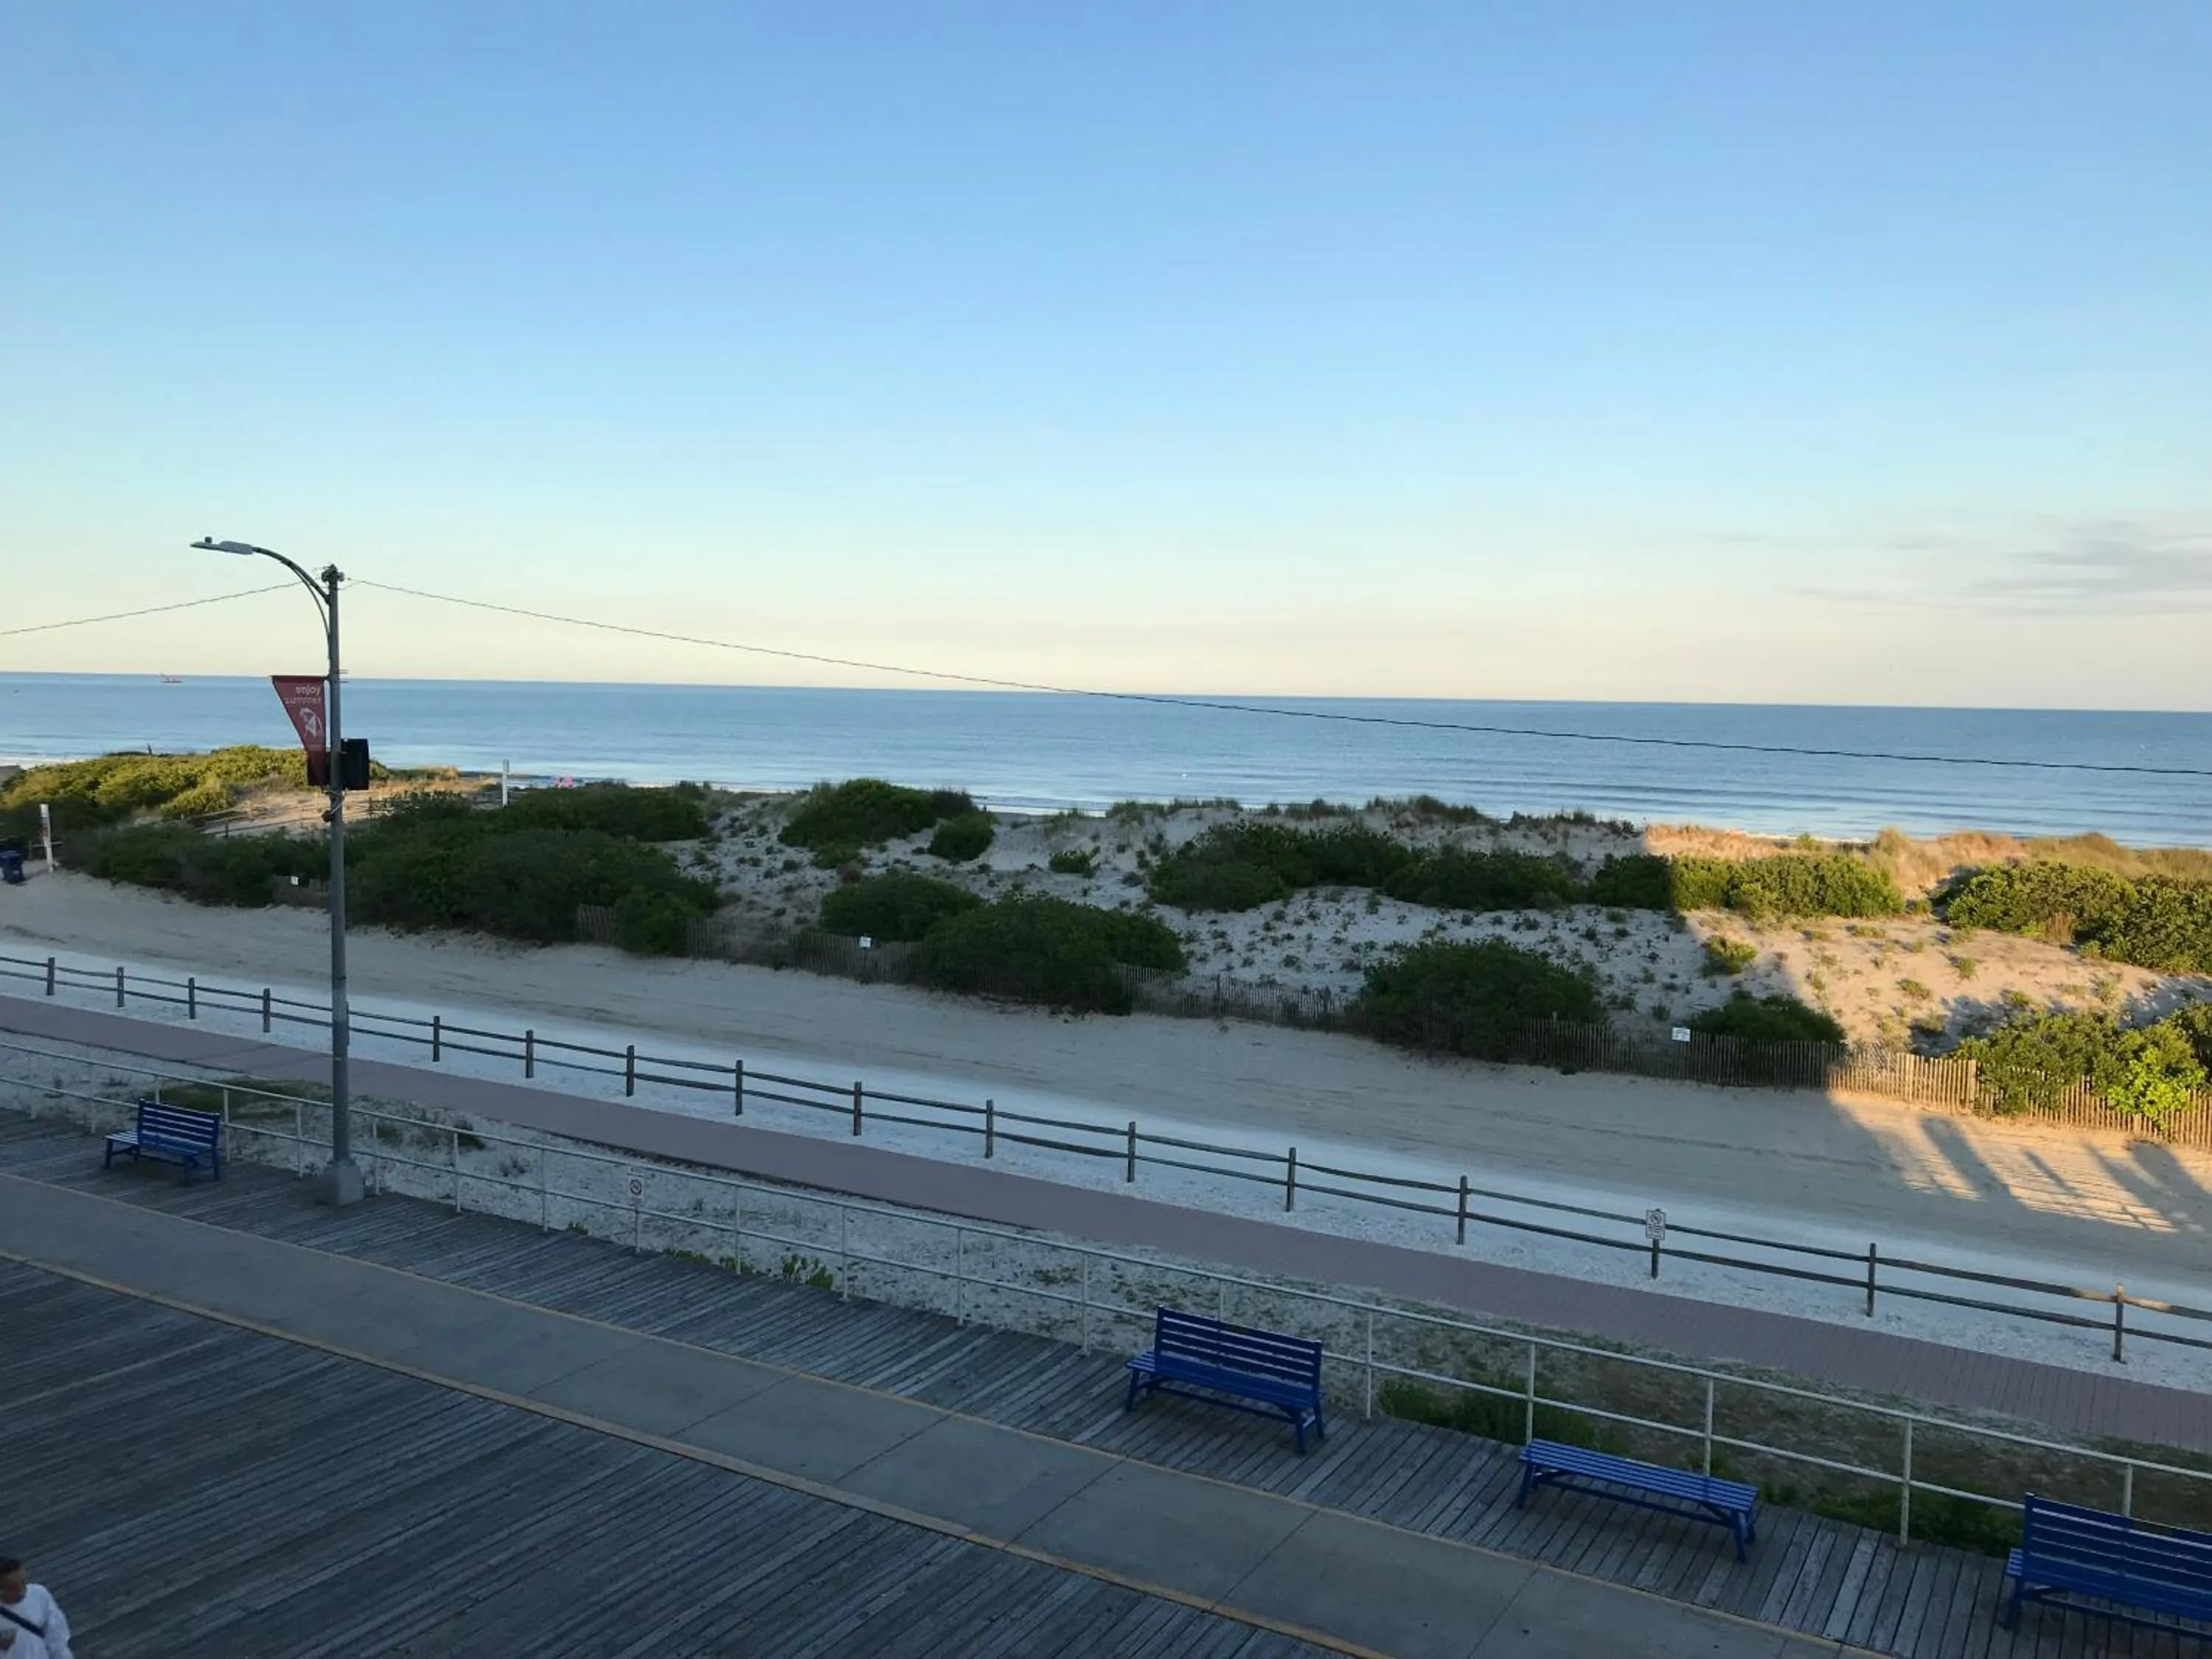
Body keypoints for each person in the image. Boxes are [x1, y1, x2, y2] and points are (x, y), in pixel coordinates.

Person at [0, 1558, 72, 1659]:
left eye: (23, 1582)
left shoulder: (39, 1594)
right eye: (12, 1588)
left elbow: (57, 1635)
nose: (21, 1591)